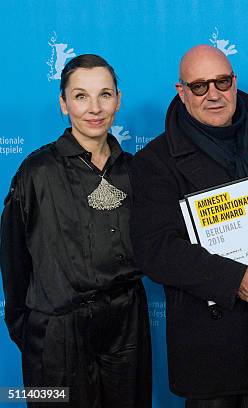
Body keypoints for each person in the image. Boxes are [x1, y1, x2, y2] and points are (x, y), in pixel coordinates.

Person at [129, 45, 248, 408]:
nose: (213, 94)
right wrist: (236, 279)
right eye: (199, 86)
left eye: (222, 82)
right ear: (181, 93)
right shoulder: (156, 161)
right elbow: (156, 249)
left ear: (234, 82)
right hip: (210, 346)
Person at [0, 54, 151, 407]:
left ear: (118, 99)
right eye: (81, 96)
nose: (94, 108)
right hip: (55, 334)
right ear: (64, 104)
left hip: (125, 329)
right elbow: (13, 257)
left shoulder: (135, 171)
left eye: (105, 95)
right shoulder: (35, 172)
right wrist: (29, 327)